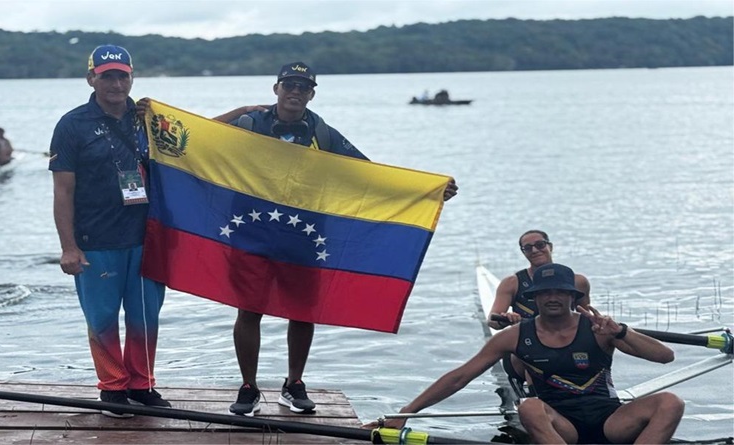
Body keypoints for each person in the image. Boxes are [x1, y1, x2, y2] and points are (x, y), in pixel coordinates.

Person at [227, 61, 459, 417]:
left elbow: (366, 174)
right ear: (276, 89)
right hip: (253, 231)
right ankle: (248, 387)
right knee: (250, 310)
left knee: (302, 312)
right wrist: (238, 110)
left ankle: (293, 384)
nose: (295, 92)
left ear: (312, 94)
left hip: (303, 235)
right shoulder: (248, 124)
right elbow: (197, 140)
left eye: (303, 87)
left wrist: (428, 191)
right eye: (289, 85)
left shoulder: (323, 132)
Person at [52, 44, 267, 419]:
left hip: (148, 238)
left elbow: (195, 136)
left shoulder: (147, 118)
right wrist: (68, 247)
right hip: (95, 239)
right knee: (102, 318)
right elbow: (63, 190)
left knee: (144, 317)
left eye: (122, 75)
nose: (116, 83)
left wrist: (242, 113)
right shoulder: (72, 125)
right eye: (107, 77)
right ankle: (113, 389)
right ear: (91, 79)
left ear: (132, 77)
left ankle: (141, 385)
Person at [369, 263, 684, 444]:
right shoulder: (515, 336)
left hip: (611, 420)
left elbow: (665, 356)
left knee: (671, 402)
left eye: (559, 292)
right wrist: (404, 413)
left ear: (573, 297)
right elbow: (460, 377)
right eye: (544, 293)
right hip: (562, 425)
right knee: (529, 406)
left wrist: (621, 332)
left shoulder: (599, 328)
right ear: (534, 299)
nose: (552, 298)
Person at [488, 230, 591, 395]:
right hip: (525, 351)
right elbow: (492, 321)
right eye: (528, 248)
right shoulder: (511, 283)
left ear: (550, 246)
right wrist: (506, 318)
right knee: (534, 353)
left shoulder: (578, 281)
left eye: (540, 245)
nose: (535, 250)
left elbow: (587, 319)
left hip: (563, 344)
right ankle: (536, 397)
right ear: (523, 253)